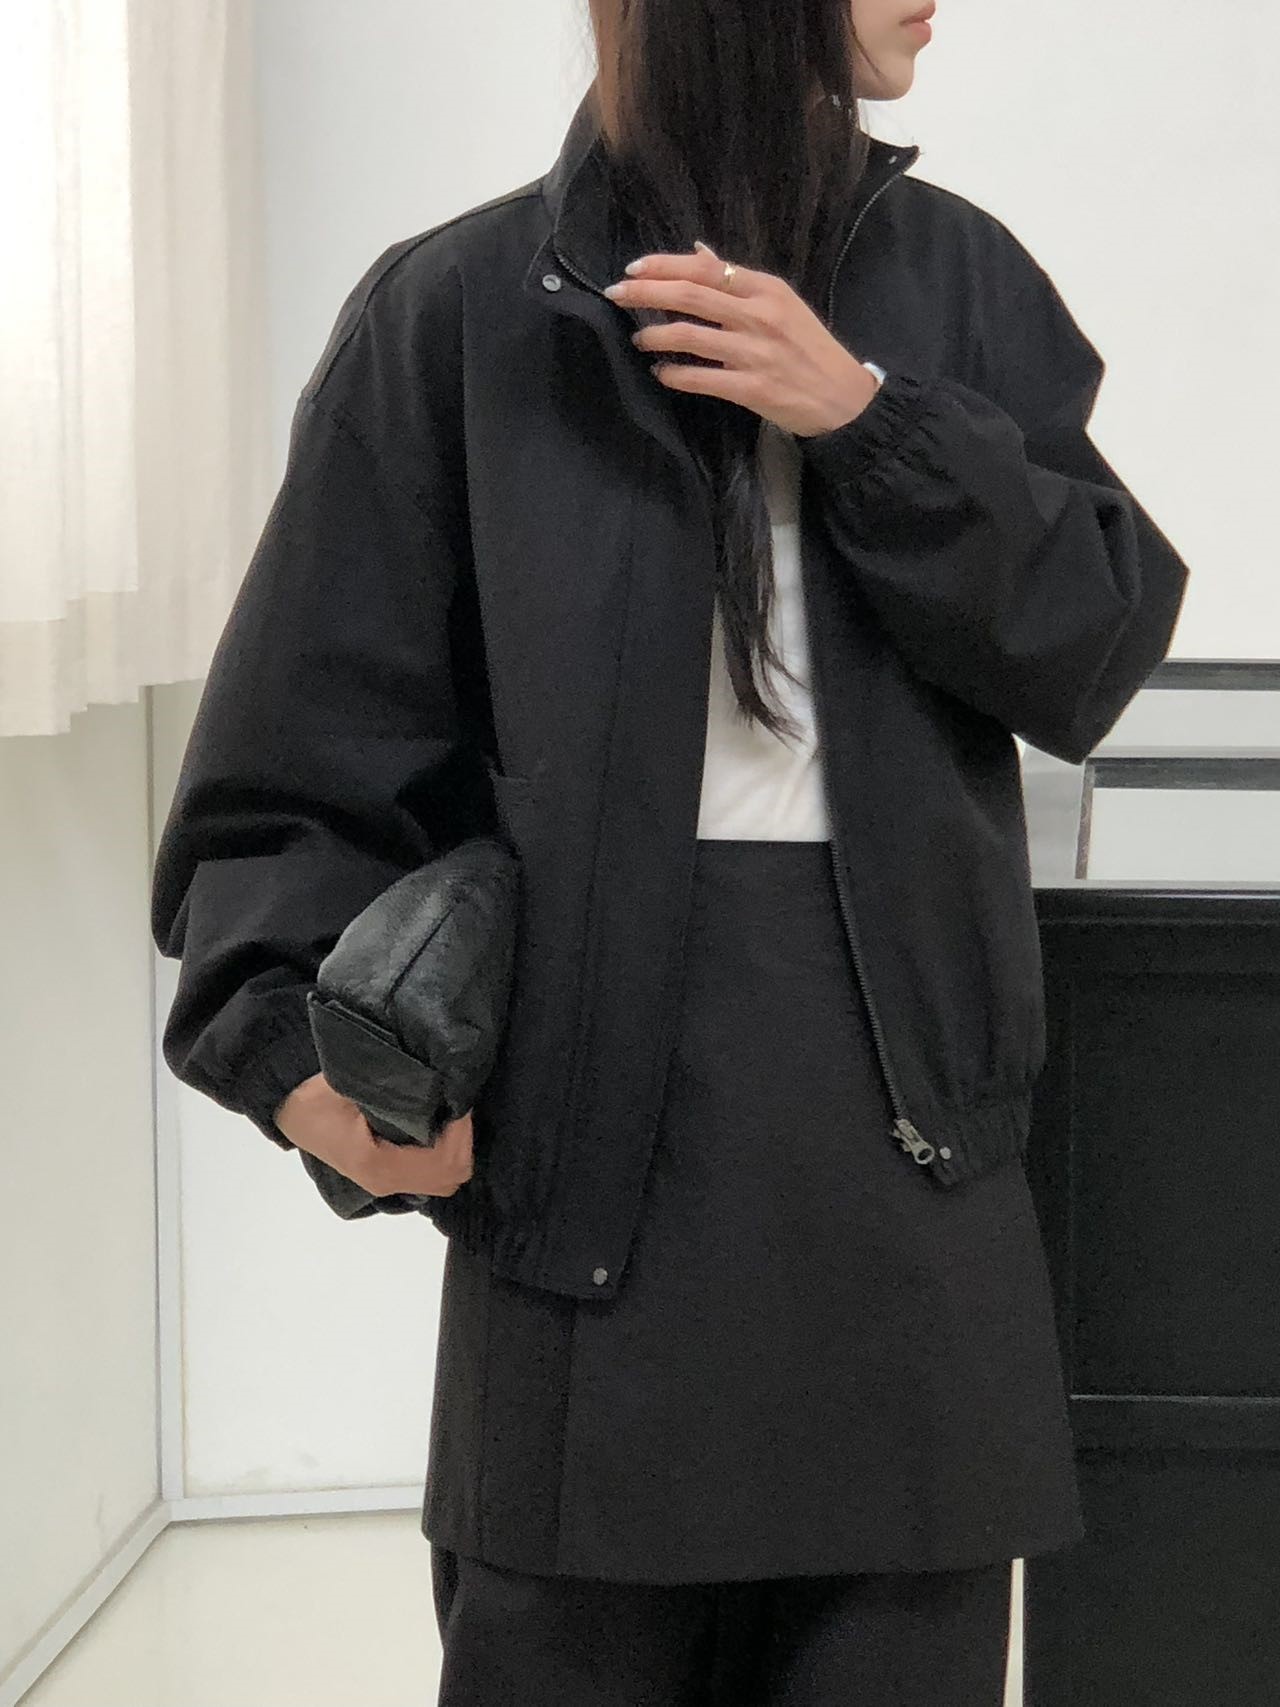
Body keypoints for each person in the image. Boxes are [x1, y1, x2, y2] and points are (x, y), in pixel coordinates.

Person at [150, 1, 1192, 1701]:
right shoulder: (460, 316)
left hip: (912, 1194)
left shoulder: (958, 284)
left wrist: (867, 421)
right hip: (584, 1194)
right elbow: (293, 760)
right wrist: (296, 1061)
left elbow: (1089, 646)